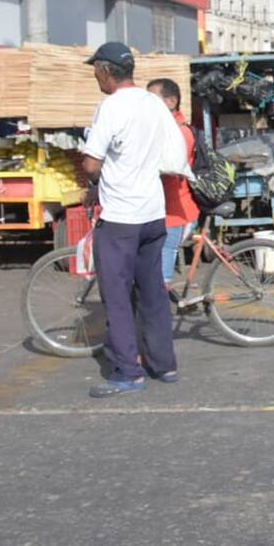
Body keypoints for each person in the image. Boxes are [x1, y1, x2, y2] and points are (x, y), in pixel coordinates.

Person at [80, 42, 178, 397]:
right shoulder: (153, 102)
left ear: (106, 70)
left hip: (121, 217)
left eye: (96, 69)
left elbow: (91, 164)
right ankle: (164, 365)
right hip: (152, 213)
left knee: (117, 296)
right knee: (153, 292)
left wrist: (95, 182)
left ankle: (128, 371)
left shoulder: (111, 106)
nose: (95, 75)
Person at [145, 78, 200, 286]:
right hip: (162, 208)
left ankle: (163, 300)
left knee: (163, 272)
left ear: (171, 101)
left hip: (176, 211)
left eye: (153, 99)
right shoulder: (165, 129)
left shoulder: (180, 132)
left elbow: (170, 168)